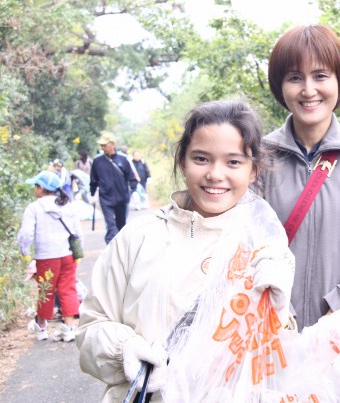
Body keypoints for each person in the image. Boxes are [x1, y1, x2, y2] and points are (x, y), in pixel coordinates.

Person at [76, 100, 295, 402]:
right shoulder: (138, 238)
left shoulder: (264, 246)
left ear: (253, 170)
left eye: (233, 162)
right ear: (182, 162)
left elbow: (277, 353)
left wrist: (279, 312)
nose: (215, 174)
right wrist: (123, 348)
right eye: (201, 159)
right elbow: (91, 325)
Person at [257, 24, 340, 330]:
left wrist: (338, 313)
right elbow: (251, 245)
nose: (308, 90)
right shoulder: (259, 157)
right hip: (272, 329)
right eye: (295, 78)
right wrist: (280, 314)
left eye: (320, 76)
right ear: (280, 86)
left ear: (339, 80)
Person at [17, 170, 82, 342]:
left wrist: (25, 253)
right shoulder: (67, 205)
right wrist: (78, 252)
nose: (34, 189)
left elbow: (26, 234)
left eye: (35, 186)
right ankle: (69, 328)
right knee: (68, 289)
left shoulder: (34, 208)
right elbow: (77, 231)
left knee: (46, 290)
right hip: (68, 255)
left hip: (47, 257)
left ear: (41, 188)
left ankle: (41, 327)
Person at [90, 131, 138, 243]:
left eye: (104, 145)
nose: (102, 148)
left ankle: (121, 246)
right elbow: (93, 180)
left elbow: (131, 176)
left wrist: (134, 189)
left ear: (112, 144)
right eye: (101, 145)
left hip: (122, 197)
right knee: (111, 225)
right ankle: (110, 246)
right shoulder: (97, 161)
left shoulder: (123, 160)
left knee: (121, 225)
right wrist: (92, 194)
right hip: (105, 198)